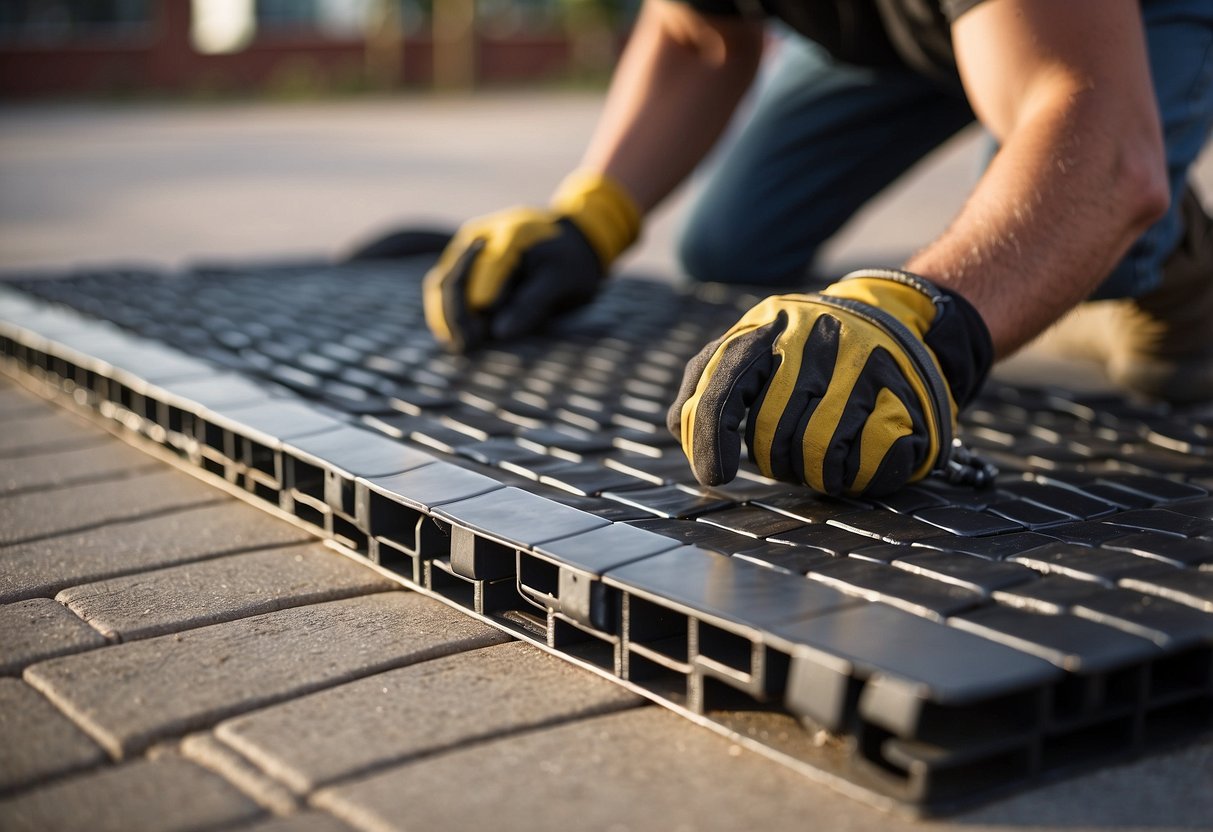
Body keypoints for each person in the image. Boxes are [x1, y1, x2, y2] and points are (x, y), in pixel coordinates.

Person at [421, 0, 1213, 497]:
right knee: (728, 253)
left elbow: (1096, 138)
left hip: (1114, 21)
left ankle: (1170, 258)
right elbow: (699, 36)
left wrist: (921, 314)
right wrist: (590, 215)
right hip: (899, 34)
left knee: (1088, 197)